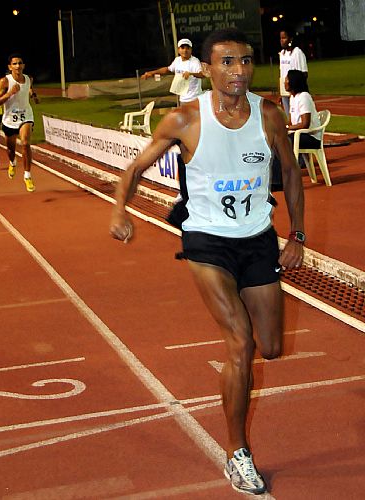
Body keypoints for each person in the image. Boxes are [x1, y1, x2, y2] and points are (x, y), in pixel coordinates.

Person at [110, 28, 305, 496]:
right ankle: (238, 453)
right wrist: (119, 210)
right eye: (227, 62)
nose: (239, 71)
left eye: (246, 61)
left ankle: (238, 376)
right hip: (207, 242)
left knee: (270, 348)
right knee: (240, 343)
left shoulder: (268, 114)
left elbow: (290, 171)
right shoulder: (185, 119)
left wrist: (297, 234)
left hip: (257, 239)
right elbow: (135, 167)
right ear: (207, 68)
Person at [0, 53, 39, 192]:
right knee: (11, 150)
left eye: (20, 63)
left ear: (23, 65)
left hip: (26, 115)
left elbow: (29, 89)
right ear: (10, 67)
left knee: (25, 143)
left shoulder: (29, 78)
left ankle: (27, 176)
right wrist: (10, 93)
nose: (17, 66)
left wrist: (34, 96)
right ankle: (12, 162)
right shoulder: (5, 81)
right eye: (14, 63)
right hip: (9, 119)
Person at [141, 38, 205, 105]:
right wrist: (152, 73)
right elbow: (168, 69)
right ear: (178, 50)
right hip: (182, 99)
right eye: (182, 48)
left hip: (195, 99)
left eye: (187, 48)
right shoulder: (177, 60)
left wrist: (191, 74)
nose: (185, 50)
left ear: (191, 50)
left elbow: (202, 74)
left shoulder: (195, 61)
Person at [286, 69, 321, 149]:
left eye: (287, 79)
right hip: (299, 134)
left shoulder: (304, 96)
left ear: (293, 82)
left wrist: (287, 128)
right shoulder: (292, 98)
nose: (284, 82)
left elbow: (305, 124)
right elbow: (290, 122)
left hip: (311, 137)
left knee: (283, 141)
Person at [279, 26, 308, 117]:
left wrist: (297, 90)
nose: (281, 40)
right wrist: (281, 92)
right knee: (288, 116)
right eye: (281, 38)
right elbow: (281, 73)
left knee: (297, 115)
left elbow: (304, 73)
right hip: (285, 90)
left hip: (295, 91)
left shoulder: (297, 52)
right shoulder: (282, 54)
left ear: (290, 39)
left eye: (284, 38)